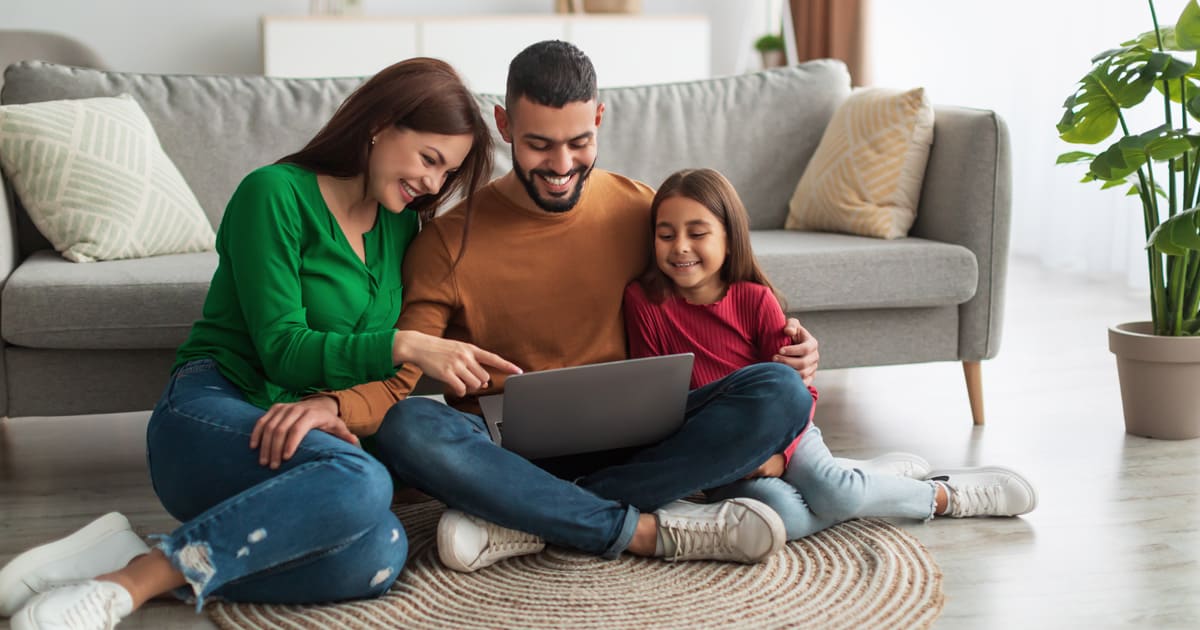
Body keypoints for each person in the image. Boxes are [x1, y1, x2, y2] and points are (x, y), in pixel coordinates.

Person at [0, 58, 521, 630]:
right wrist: (406, 344)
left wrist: (338, 406)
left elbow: (381, 380)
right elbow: (281, 348)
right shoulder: (272, 194)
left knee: (379, 554)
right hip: (216, 408)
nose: (433, 184)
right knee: (363, 481)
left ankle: (144, 554)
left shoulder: (402, 225)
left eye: (446, 174)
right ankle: (123, 586)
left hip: (304, 428)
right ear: (380, 124)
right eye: (429, 160)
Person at [310, 40, 821, 573]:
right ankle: (635, 529)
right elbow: (404, 374)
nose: (561, 165)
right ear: (504, 125)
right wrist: (337, 406)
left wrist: (793, 350)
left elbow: (716, 297)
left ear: (599, 117)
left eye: (579, 142)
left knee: (778, 391)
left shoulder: (640, 208)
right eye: (538, 145)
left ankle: (526, 515)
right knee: (410, 426)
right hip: (509, 447)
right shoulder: (447, 242)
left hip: (639, 436)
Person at [623, 167, 1038, 542]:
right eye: (665, 235)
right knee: (782, 514)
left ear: (730, 240)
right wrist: (736, 458)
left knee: (835, 493)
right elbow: (660, 401)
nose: (680, 247)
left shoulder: (755, 301)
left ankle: (944, 495)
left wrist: (779, 455)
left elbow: (796, 393)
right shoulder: (644, 302)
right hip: (724, 456)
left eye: (697, 234)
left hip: (786, 436)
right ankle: (867, 478)